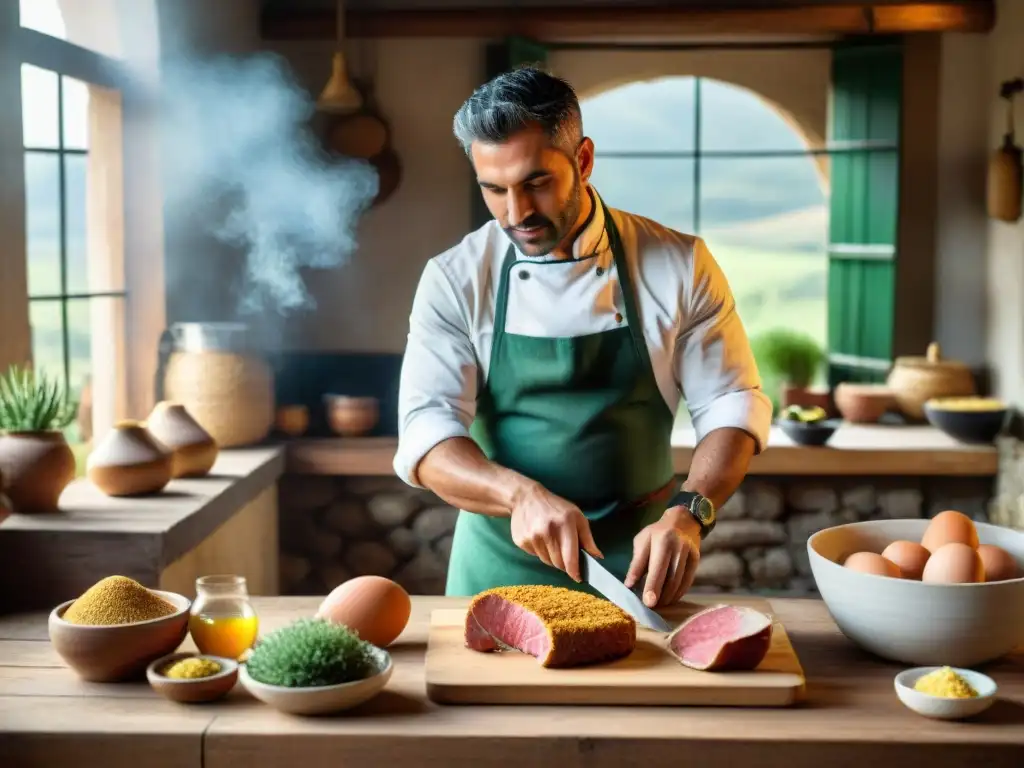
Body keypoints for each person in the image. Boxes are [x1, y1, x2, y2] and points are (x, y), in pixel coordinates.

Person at [393, 65, 772, 608]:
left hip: (639, 566)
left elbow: (732, 405)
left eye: (536, 183)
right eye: (494, 190)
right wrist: (518, 495)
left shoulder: (679, 265)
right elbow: (427, 438)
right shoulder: (455, 278)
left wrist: (692, 513)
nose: (516, 212)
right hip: (497, 568)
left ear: (584, 160)